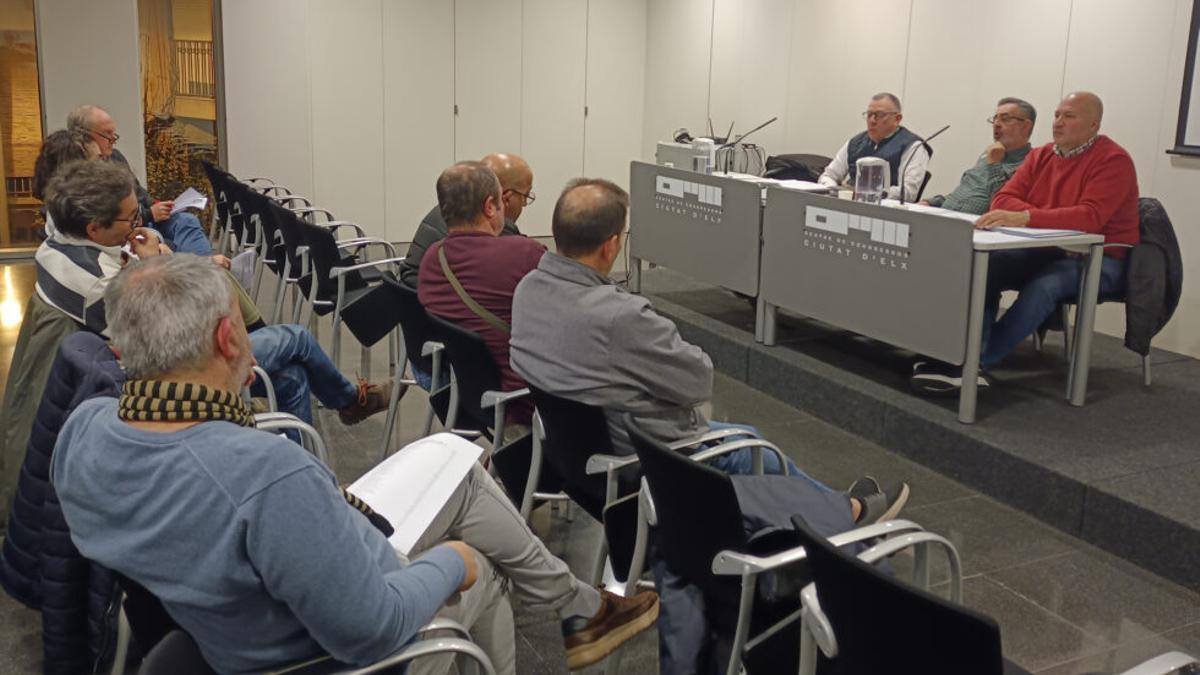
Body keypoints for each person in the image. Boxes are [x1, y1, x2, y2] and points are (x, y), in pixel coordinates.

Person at [51, 254, 659, 674]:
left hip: (235, 621)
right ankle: (574, 609)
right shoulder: (264, 473)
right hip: (327, 654)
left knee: (465, 473)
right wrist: (454, 562)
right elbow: (370, 628)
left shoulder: (85, 430)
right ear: (228, 341)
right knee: (485, 570)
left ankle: (580, 604)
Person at [509, 178, 911, 673]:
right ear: (613, 243)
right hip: (653, 469)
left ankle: (833, 514)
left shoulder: (529, 288)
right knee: (750, 446)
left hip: (581, 467)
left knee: (740, 444)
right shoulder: (618, 316)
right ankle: (844, 519)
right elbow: (697, 376)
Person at [33, 160, 390, 427]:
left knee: (293, 379)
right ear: (95, 228)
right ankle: (350, 402)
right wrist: (156, 267)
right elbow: (166, 333)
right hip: (168, 374)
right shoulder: (96, 285)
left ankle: (312, 448)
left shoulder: (53, 248)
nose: (139, 224)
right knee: (296, 339)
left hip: (143, 362)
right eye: (131, 219)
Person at [911, 92, 1139, 393]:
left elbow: (1090, 217)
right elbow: (1002, 199)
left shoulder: (1113, 160)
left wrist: (1028, 216)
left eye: (1069, 116)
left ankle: (977, 361)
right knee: (986, 266)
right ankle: (963, 350)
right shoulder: (1042, 155)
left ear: (1094, 124)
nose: (1058, 122)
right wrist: (1035, 217)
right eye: (1057, 115)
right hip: (1051, 247)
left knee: (1046, 286)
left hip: (1101, 256)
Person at [417, 162, 546, 435]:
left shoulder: (432, 259)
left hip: (465, 395)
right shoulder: (525, 254)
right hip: (525, 401)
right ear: (490, 207)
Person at [67, 104, 214, 256]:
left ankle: (206, 271)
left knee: (187, 221)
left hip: (142, 218)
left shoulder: (115, 157)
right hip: (128, 227)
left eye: (114, 134)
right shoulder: (79, 174)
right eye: (107, 135)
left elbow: (138, 192)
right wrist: (149, 214)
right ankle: (204, 268)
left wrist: (158, 206)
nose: (113, 139)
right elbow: (108, 221)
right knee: (168, 245)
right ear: (84, 136)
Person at [400, 152, 533, 288]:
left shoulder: (451, 208)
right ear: (506, 198)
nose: (524, 204)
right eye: (525, 196)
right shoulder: (492, 228)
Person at [923, 97, 1035, 215]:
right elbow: (967, 191)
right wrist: (932, 203)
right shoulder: (989, 152)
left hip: (977, 229)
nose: (996, 124)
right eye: (995, 119)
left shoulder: (1031, 163)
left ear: (1026, 126)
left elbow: (1002, 205)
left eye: (1005, 119)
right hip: (945, 217)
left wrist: (994, 165)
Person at [818, 92, 931, 201]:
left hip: (886, 212)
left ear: (897, 119)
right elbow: (828, 176)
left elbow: (908, 193)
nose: (872, 120)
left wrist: (865, 192)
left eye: (879, 115)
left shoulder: (913, 146)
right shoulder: (855, 143)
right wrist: (833, 190)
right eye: (869, 115)